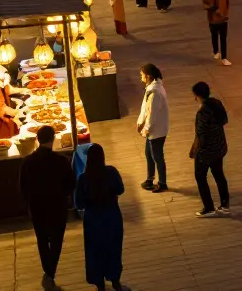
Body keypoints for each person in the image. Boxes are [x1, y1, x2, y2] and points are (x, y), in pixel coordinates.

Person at [19, 125, 76, 289]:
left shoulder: (27, 162)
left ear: (37, 140)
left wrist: (29, 203)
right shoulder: (62, 161)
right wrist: (63, 195)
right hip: (58, 207)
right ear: (53, 140)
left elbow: (22, 187)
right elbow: (71, 183)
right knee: (57, 240)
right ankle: (50, 273)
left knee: (42, 240)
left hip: (37, 208)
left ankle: (48, 272)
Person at [74, 144, 125, 291]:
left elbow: (79, 203)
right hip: (112, 217)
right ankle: (115, 280)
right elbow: (121, 189)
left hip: (93, 220)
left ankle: (99, 283)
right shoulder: (111, 172)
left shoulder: (83, 179)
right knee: (114, 249)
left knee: (94, 252)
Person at [190, 81, 232, 217]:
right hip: (219, 147)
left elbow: (201, 135)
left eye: (195, 95)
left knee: (200, 177)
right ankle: (225, 204)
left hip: (207, 151)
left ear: (198, 96)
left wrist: (195, 151)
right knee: (219, 174)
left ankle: (209, 207)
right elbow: (224, 121)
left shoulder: (203, 113)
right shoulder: (217, 104)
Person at [136, 63, 169, 193]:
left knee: (157, 157)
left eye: (142, 75)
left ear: (148, 76)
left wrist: (146, 129)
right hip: (156, 129)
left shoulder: (155, 92)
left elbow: (152, 113)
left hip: (157, 131)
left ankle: (162, 183)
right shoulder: (154, 88)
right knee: (149, 154)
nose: (141, 78)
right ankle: (150, 178)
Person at [202, 0, 231, 65]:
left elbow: (226, 1)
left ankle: (224, 58)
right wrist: (213, 9)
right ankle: (216, 51)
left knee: (223, 38)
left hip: (223, 18)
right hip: (213, 19)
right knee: (214, 36)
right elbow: (205, 4)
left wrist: (225, 12)